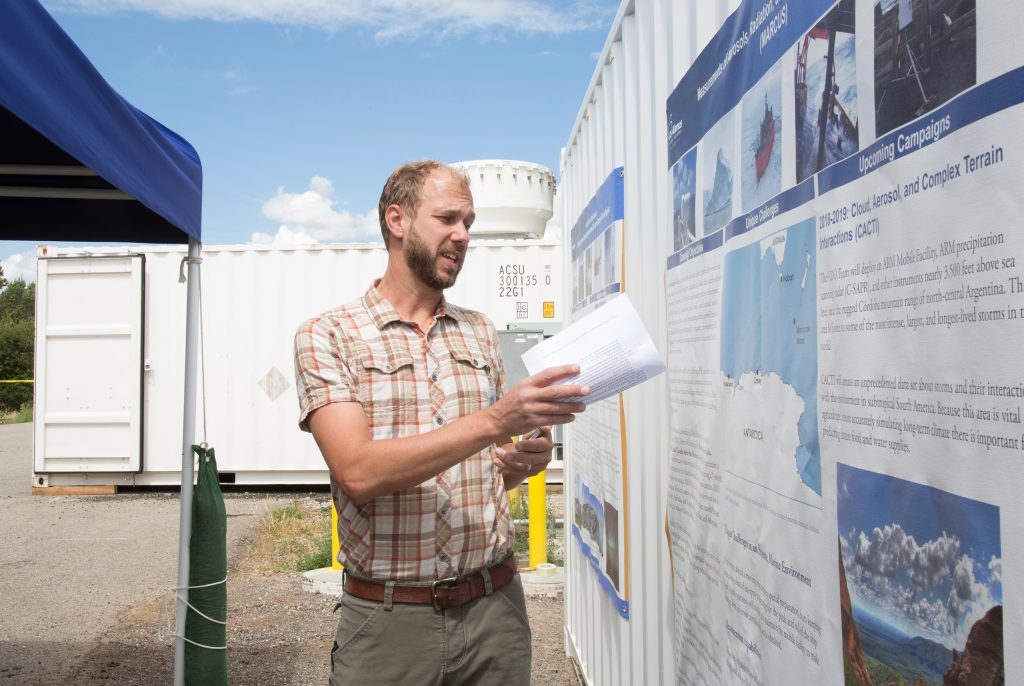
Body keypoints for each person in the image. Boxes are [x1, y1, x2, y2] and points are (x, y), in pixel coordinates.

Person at [293, 160, 588, 686]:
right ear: (397, 220)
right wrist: (497, 420)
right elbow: (358, 473)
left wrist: (518, 464)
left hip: (496, 612)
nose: (462, 235)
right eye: (448, 218)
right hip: (389, 625)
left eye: (469, 222)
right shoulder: (328, 335)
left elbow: (477, 470)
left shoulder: (478, 332)